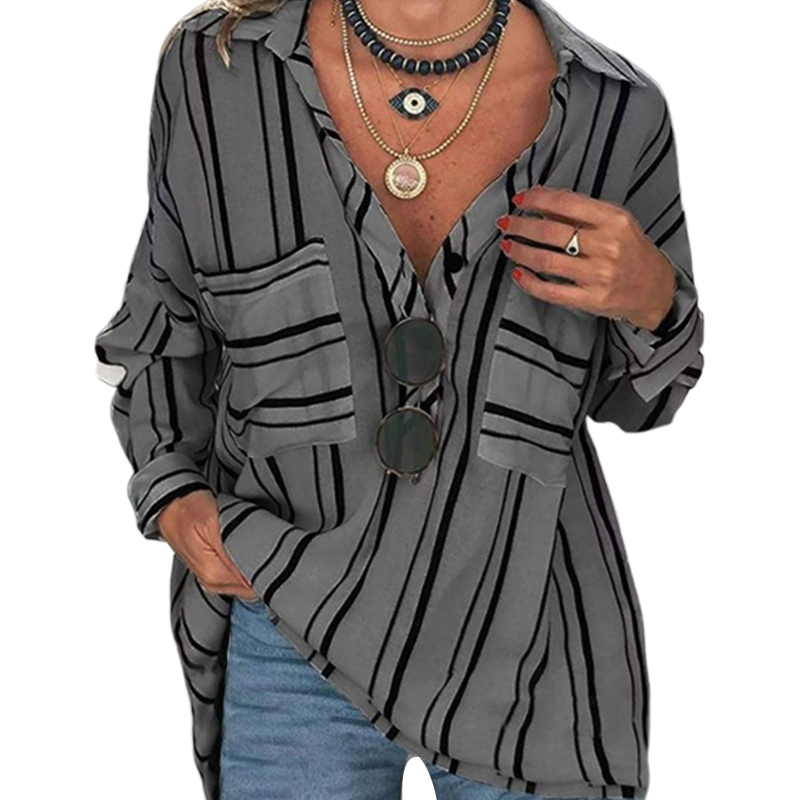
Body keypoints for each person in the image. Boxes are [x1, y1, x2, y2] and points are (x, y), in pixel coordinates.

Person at [94, 0, 704, 798]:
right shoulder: (221, 72)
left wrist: (655, 300)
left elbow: (641, 401)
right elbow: (160, 327)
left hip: (532, 651)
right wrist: (173, 493)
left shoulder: (612, 113)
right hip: (287, 618)